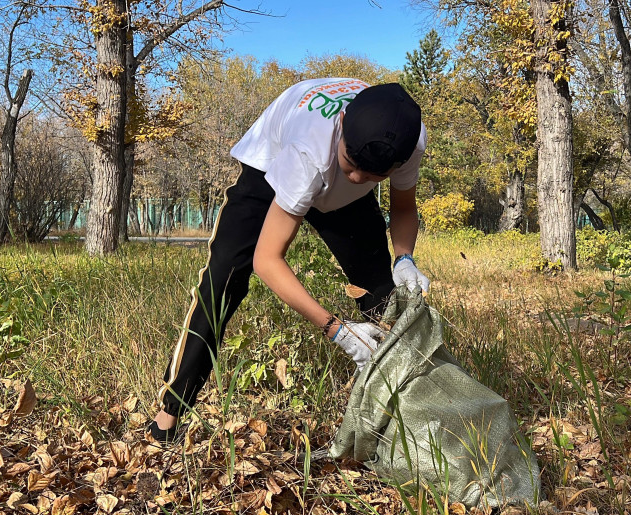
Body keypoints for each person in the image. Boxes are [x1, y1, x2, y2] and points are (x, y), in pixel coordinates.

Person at [148, 79, 431, 442]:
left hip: (342, 188)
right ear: (342, 122)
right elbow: (268, 259)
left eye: (372, 177)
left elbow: (404, 208)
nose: (356, 178)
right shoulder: (308, 150)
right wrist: (336, 329)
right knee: (223, 280)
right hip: (269, 170)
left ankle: (406, 413)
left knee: (384, 294)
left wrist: (404, 258)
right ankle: (169, 413)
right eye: (351, 164)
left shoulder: (408, 140)